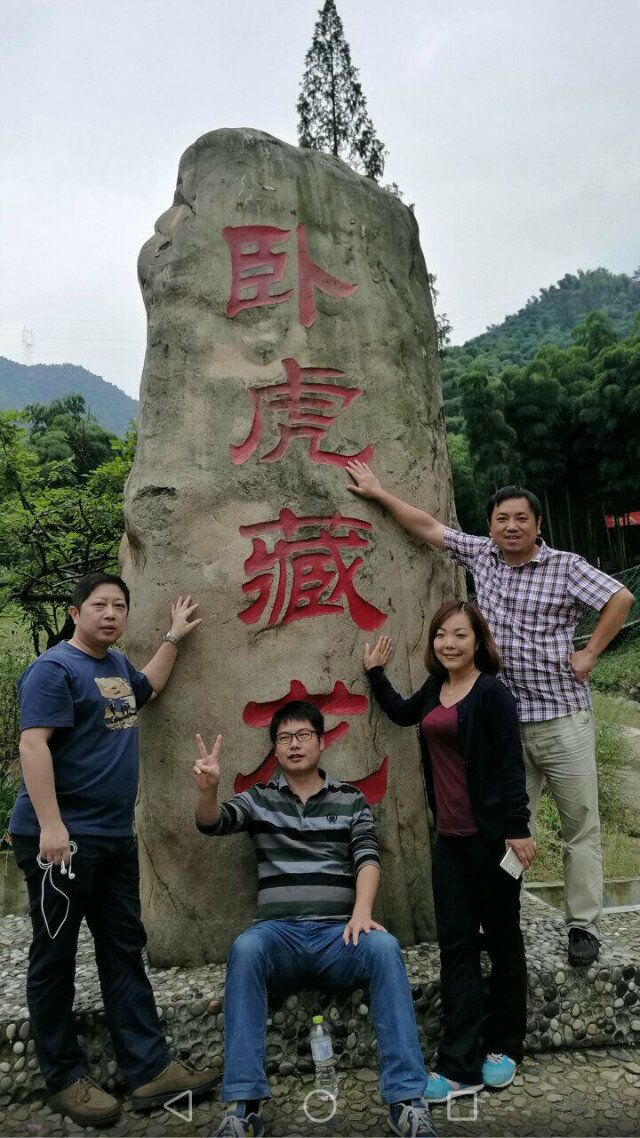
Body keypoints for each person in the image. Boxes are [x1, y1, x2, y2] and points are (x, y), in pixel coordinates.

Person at [346, 463, 634, 966]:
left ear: (537, 524)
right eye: (502, 518)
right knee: (501, 829)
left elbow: (621, 597)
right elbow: (427, 526)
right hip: (501, 726)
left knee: (580, 826)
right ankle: (501, 918)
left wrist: (590, 653)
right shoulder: (482, 555)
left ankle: (583, 925)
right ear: (491, 524)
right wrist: (378, 492)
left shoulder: (565, 566)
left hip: (561, 717)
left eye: (521, 518)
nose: (511, 527)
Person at [10, 571, 217, 1128]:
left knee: (124, 948)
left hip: (112, 839)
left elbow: (146, 688)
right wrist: (51, 826)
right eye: (99, 605)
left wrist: (173, 637)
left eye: (118, 606)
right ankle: (64, 1077)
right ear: (74, 612)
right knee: (55, 956)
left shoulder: (116, 667)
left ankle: (148, 1069)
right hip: (61, 841)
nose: (109, 614)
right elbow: (33, 745)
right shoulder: (54, 669)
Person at [192, 699, 436, 1138]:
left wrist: (362, 912)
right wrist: (209, 791)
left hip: (338, 937)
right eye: (284, 738)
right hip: (278, 937)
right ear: (275, 749)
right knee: (246, 949)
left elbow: (368, 857)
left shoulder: (350, 799)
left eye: (303, 735)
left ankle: (407, 1103)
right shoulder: (260, 798)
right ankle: (243, 1109)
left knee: (384, 948)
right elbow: (214, 823)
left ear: (321, 742)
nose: (294, 744)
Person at [364, 601, 535, 1101]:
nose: (449, 644)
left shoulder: (493, 694)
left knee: (503, 941)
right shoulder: (436, 688)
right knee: (456, 948)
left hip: (492, 841)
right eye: (441, 634)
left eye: (460, 634)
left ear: (478, 640)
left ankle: (505, 1045)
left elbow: (511, 765)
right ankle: (459, 1064)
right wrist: (375, 675)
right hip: (450, 844)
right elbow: (403, 714)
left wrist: (518, 828)